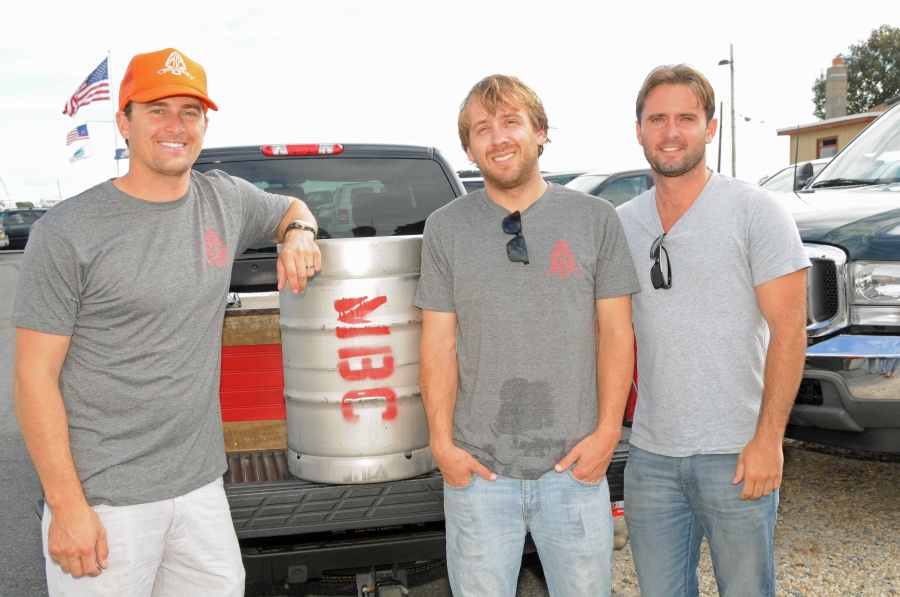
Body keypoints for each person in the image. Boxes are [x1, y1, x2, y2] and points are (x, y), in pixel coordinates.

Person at [12, 47, 321, 596]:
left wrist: (299, 235)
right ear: (124, 121)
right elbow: (33, 378)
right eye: (157, 109)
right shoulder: (67, 231)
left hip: (201, 488)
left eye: (190, 111)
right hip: (105, 503)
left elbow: (289, 208)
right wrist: (66, 507)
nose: (176, 125)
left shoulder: (222, 199)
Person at [414, 74, 639, 596]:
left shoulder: (595, 219)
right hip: (478, 477)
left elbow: (616, 332)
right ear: (468, 147)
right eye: (482, 128)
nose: (498, 138)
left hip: (576, 471)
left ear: (540, 131)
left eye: (511, 122)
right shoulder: (445, 227)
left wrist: (608, 435)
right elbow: (438, 343)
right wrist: (441, 443)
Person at [616, 64, 810, 596]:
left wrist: (769, 441)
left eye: (686, 117)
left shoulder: (756, 212)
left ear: (711, 126)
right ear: (639, 131)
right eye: (657, 119)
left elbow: (791, 331)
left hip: (737, 452)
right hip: (651, 458)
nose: (671, 131)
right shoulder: (622, 223)